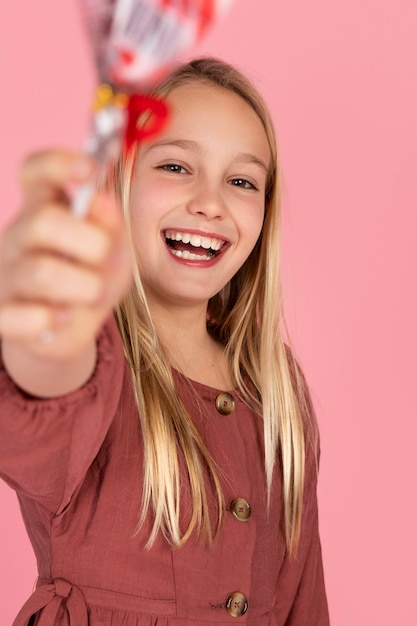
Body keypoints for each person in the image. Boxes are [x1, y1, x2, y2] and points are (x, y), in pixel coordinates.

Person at [0, 58, 329, 625]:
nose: (211, 202)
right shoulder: (92, 366)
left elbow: (304, 600)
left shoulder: (275, 389)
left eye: (242, 180)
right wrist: (39, 307)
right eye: (176, 166)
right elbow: (41, 387)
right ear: (118, 182)